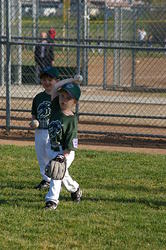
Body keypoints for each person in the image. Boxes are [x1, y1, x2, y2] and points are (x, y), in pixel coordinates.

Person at [44, 81, 82, 210]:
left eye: (68, 98)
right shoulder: (56, 107)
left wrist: (62, 157)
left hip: (65, 151)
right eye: (62, 96)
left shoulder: (71, 121)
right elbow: (55, 87)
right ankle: (75, 189)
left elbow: (70, 145)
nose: (63, 100)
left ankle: (52, 201)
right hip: (51, 147)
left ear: (75, 102)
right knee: (62, 174)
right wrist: (71, 80)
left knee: (57, 173)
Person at [30, 67, 60, 190]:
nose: (46, 82)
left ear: (57, 81)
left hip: (52, 131)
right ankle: (46, 180)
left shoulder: (59, 96)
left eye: (50, 79)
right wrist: (33, 121)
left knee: (53, 155)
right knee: (41, 156)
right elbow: (34, 114)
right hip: (40, 131)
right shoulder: (38, 97)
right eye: (44, 80)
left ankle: (55, 178)